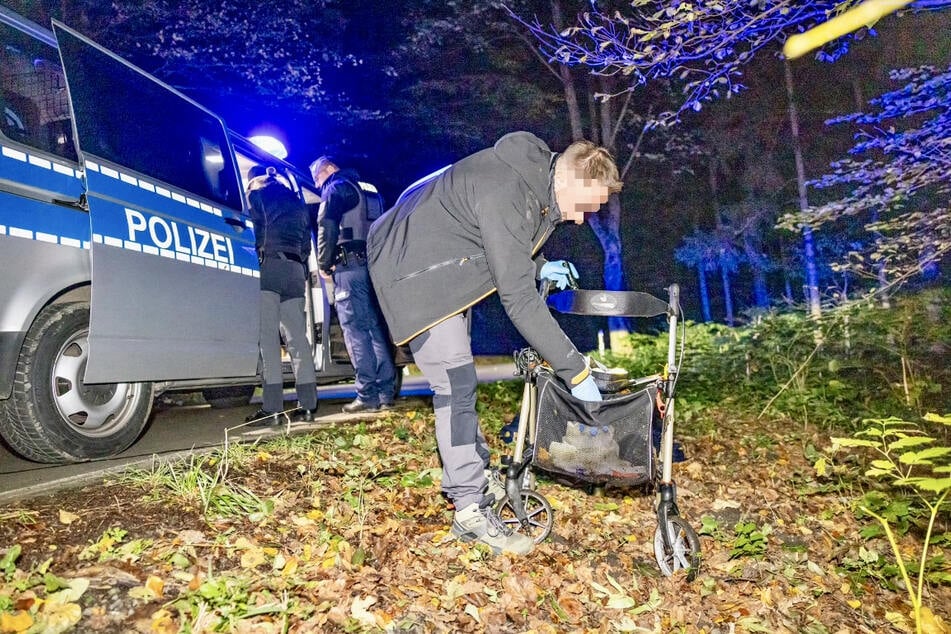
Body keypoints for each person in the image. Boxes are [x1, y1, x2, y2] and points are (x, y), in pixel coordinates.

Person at [367, 132, 622, 555]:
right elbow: (517, 298)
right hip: (412, 269)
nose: (580, 219)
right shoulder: (508, 186)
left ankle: (470, 474)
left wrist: (539, 265)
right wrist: (575, 370)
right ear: (572, 181)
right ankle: (468, 509)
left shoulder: (535, 183)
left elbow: (506, 240)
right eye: (586, 207)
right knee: (454, 385)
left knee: (460, 384)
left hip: (446, 268)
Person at [310, 156, 396, 413]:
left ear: (328, 170)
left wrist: (324, 264)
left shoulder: (335, 187)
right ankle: (385, 394)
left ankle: (366, 394)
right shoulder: (369, 191)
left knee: (355, 332)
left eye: (317, 180)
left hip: (349, 267)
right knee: (375, 330)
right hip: (373, 268)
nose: (318, 186)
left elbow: (326, 226)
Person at [244, 165, 318, 427]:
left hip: (270, 268)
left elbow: (256, 231)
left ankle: (272, 408)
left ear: (254, 182)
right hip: (295, 270)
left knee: (268, 340)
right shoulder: (298, 205)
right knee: (298, 339)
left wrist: (259, 256)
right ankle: (307, 406)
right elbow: (307, 247)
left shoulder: (257, 196)